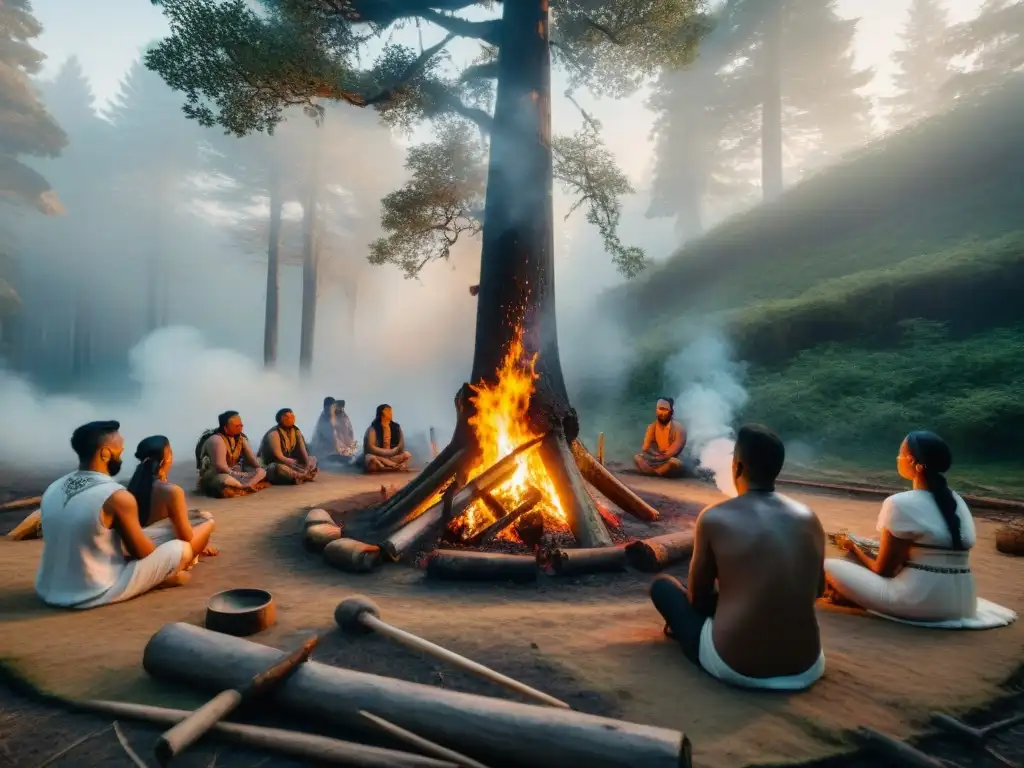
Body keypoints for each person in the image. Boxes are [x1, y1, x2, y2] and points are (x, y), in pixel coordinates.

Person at [649, 424, 826, 691]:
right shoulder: (808, 517)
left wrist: (733, 598)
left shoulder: (714, 517)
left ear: (738, 467)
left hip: (736, 665)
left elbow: (697, 600)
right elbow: (817, 590)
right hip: (807, 666)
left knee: (664, 588)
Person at [35, 421, 196, 609]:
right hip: (94, 590)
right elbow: (144, 553)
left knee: (155, 533)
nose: (121, 454)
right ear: (104, 453)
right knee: (181, 548)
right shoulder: (116, 495)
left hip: (47, 588)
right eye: (120, 449)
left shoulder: (53, 487)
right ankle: (159, 580)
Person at [823, 431, 978, 622]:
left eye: (901, 453)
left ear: (913, 462)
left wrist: (853, 545)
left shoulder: (899, 503)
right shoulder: (957, 501)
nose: (898, 458)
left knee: (827, 566)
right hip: (963, 604)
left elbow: (884, 570)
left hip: (918, 602)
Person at [126, 435, 218, 557]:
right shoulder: (172, 491)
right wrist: (203, 536)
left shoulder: (135, 483)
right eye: (170, 453)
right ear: (165, 460)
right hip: (158, 547)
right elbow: (186, 536)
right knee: (208, 521)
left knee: (201, 515)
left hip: (140, 541)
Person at [194, 411, 267, 498]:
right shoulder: (216, 440)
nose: (241, 427)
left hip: (236, 473)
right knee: (227, 480)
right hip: (217, 475)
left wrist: (255, 471)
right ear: (226, 428)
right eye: (237, 426)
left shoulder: (241, 439)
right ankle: (243, 487)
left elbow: (254, 463)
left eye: (241, 425)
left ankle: (246, 486)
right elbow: (221, 467)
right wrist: (241, 475)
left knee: (261, 472)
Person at [258, 408, 319, 484]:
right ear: (281, 419)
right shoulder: (274, 433)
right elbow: (279, 456)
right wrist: (290, 462)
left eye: (292, 417)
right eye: (287, 417)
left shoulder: (296, 431)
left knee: (312, 459)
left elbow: (303, 449)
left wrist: (307, 465)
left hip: (290, 463)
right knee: (279, 468)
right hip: (274, 463)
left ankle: (302, 474)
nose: (291, 419)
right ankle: (302, 476)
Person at [634, 397, 687, 477]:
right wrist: (653, 456)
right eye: (659, 409)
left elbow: (673, 452)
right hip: (655, 460)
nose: (661, 413)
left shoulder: (679, 429)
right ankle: (656, 472)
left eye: (665, 409)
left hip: (669, 460)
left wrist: (659, 457)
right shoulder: (652, 427)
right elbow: (645, 448)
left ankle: (654, 472)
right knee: (637, 457)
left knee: (674, 462)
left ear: (671, 412)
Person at [360, 403, 412, 473]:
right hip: (378, 458)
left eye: (390, 411)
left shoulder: (396, 427)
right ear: (381, 412)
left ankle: (390, 466)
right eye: (387, 410)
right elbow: (371, 448)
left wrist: (394, 451)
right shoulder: (373, 428)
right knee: (370, 458)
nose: (390, 413)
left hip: (392, 457)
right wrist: (388, 454)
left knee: (407, 454)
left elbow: (401, 446)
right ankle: (390, 467)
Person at [311, 397, 359, 465]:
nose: (328, 410)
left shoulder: (342, 415)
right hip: (328, 451)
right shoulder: (323, 417)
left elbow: (349, 432)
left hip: (343, 449)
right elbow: (328, 433)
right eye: (327, 408)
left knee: (349, 456)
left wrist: (349, 447)